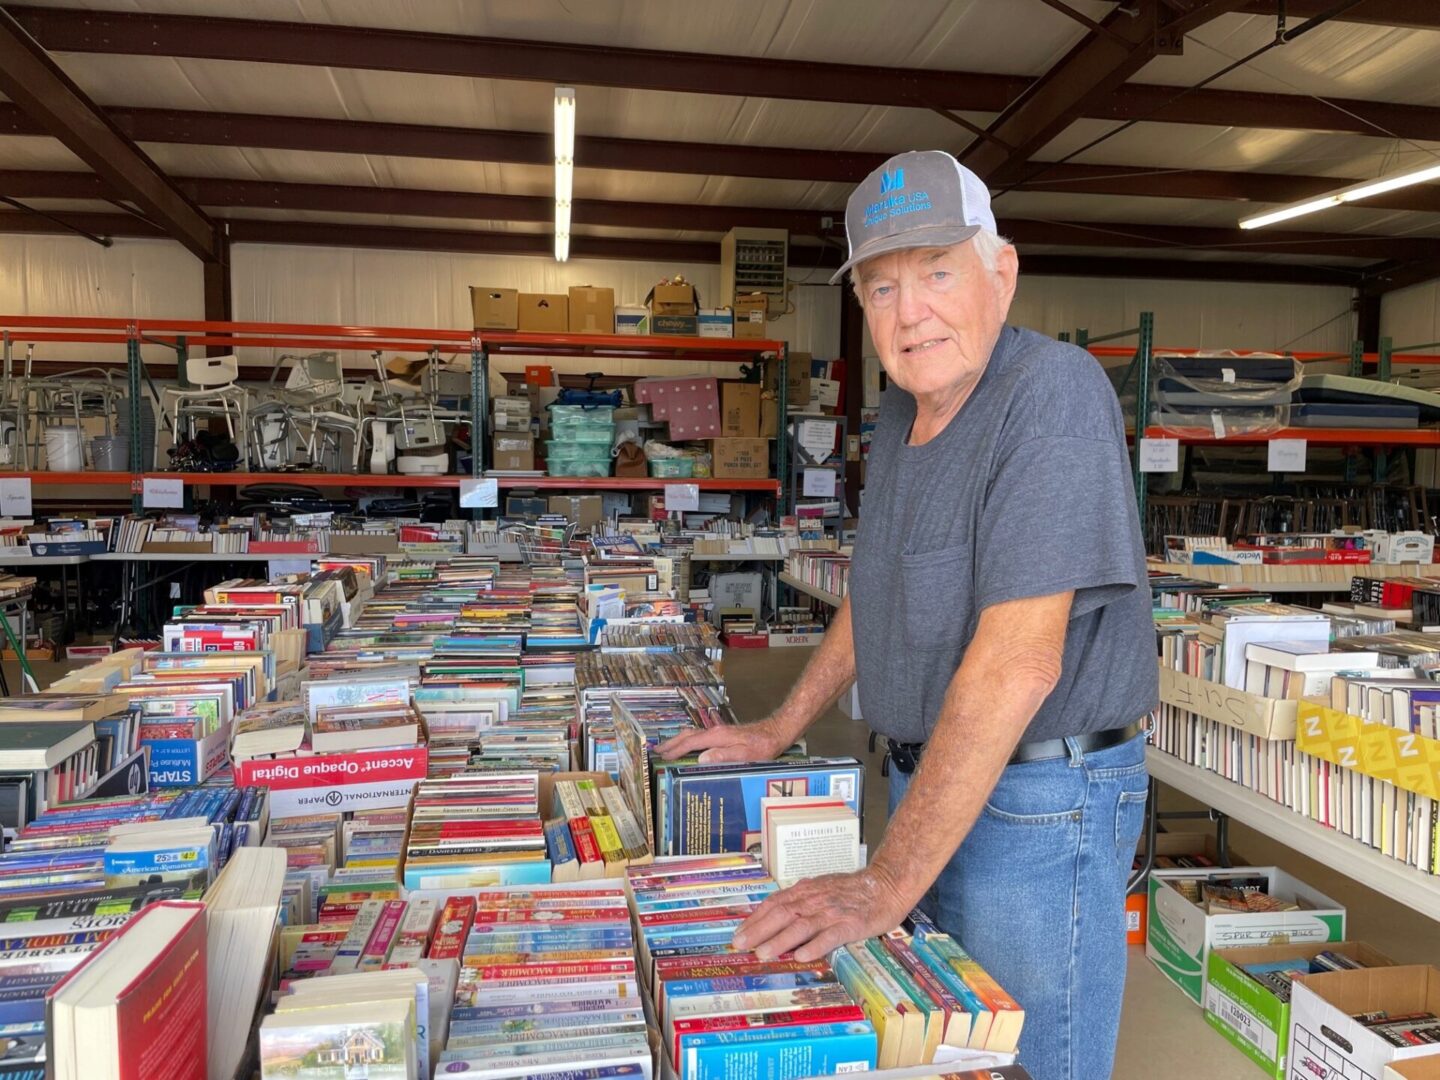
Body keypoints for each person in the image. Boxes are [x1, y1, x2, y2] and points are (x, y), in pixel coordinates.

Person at [658, 149, 1158, 1080]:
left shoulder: (1051, 395)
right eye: (882, 288)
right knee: (953, 1057)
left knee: (1028, 1063)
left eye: (937, 272)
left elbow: (1017, 664)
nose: (910, 311)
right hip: (932, 782)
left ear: (1000, 273)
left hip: (1042, 804)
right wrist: (776, 727)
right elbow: (875, 588)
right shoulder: (901, 411)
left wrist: (886, 879)